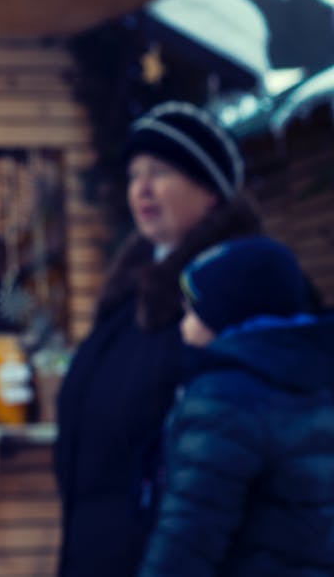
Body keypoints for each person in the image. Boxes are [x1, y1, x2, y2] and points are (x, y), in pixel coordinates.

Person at [53, 101, 263, 577]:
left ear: (210, 189)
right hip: (95, 550)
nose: (141, 190)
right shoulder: (129, 293)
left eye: (161, 171)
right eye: (134, 175)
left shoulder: (229, 292)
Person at [138, 235, 333, 576]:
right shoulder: (317, 381)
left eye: (192, 313)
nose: (184, 328)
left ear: (225, 315)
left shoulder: (223, 399)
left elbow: (188, 535)